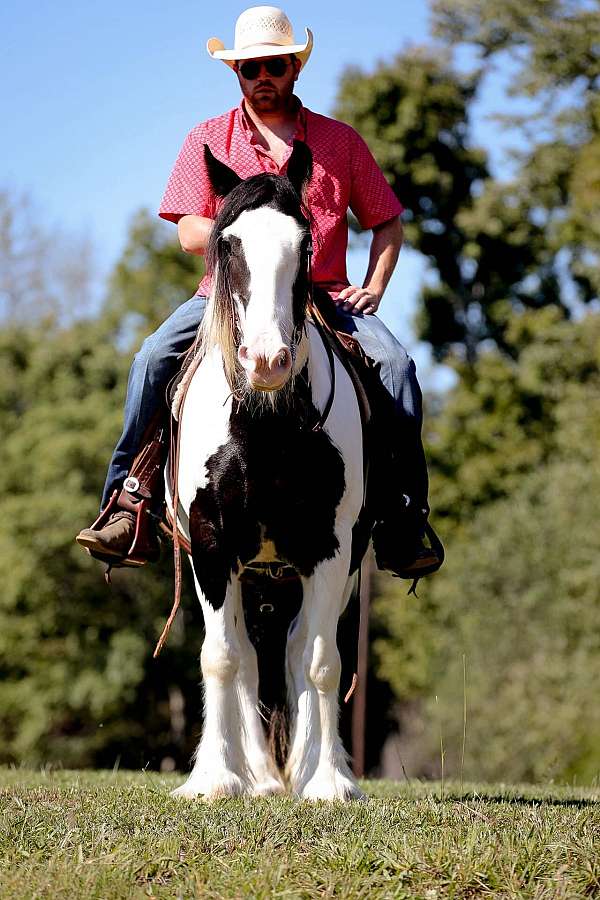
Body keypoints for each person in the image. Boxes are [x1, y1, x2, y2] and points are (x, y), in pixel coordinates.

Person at [76, 5, 442, 579]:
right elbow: (185, 228)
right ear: (237, 73)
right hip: (229, 298)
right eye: (250, 68)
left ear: (295, 67)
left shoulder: (340, 142)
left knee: (396, 366)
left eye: (274, 65)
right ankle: (130, 502)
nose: (262, 76)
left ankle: (403, 513)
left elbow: (387, 222)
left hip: (325, 294)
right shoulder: (207, 138)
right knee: (150, 360)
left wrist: (373, 288)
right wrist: (232, 232)